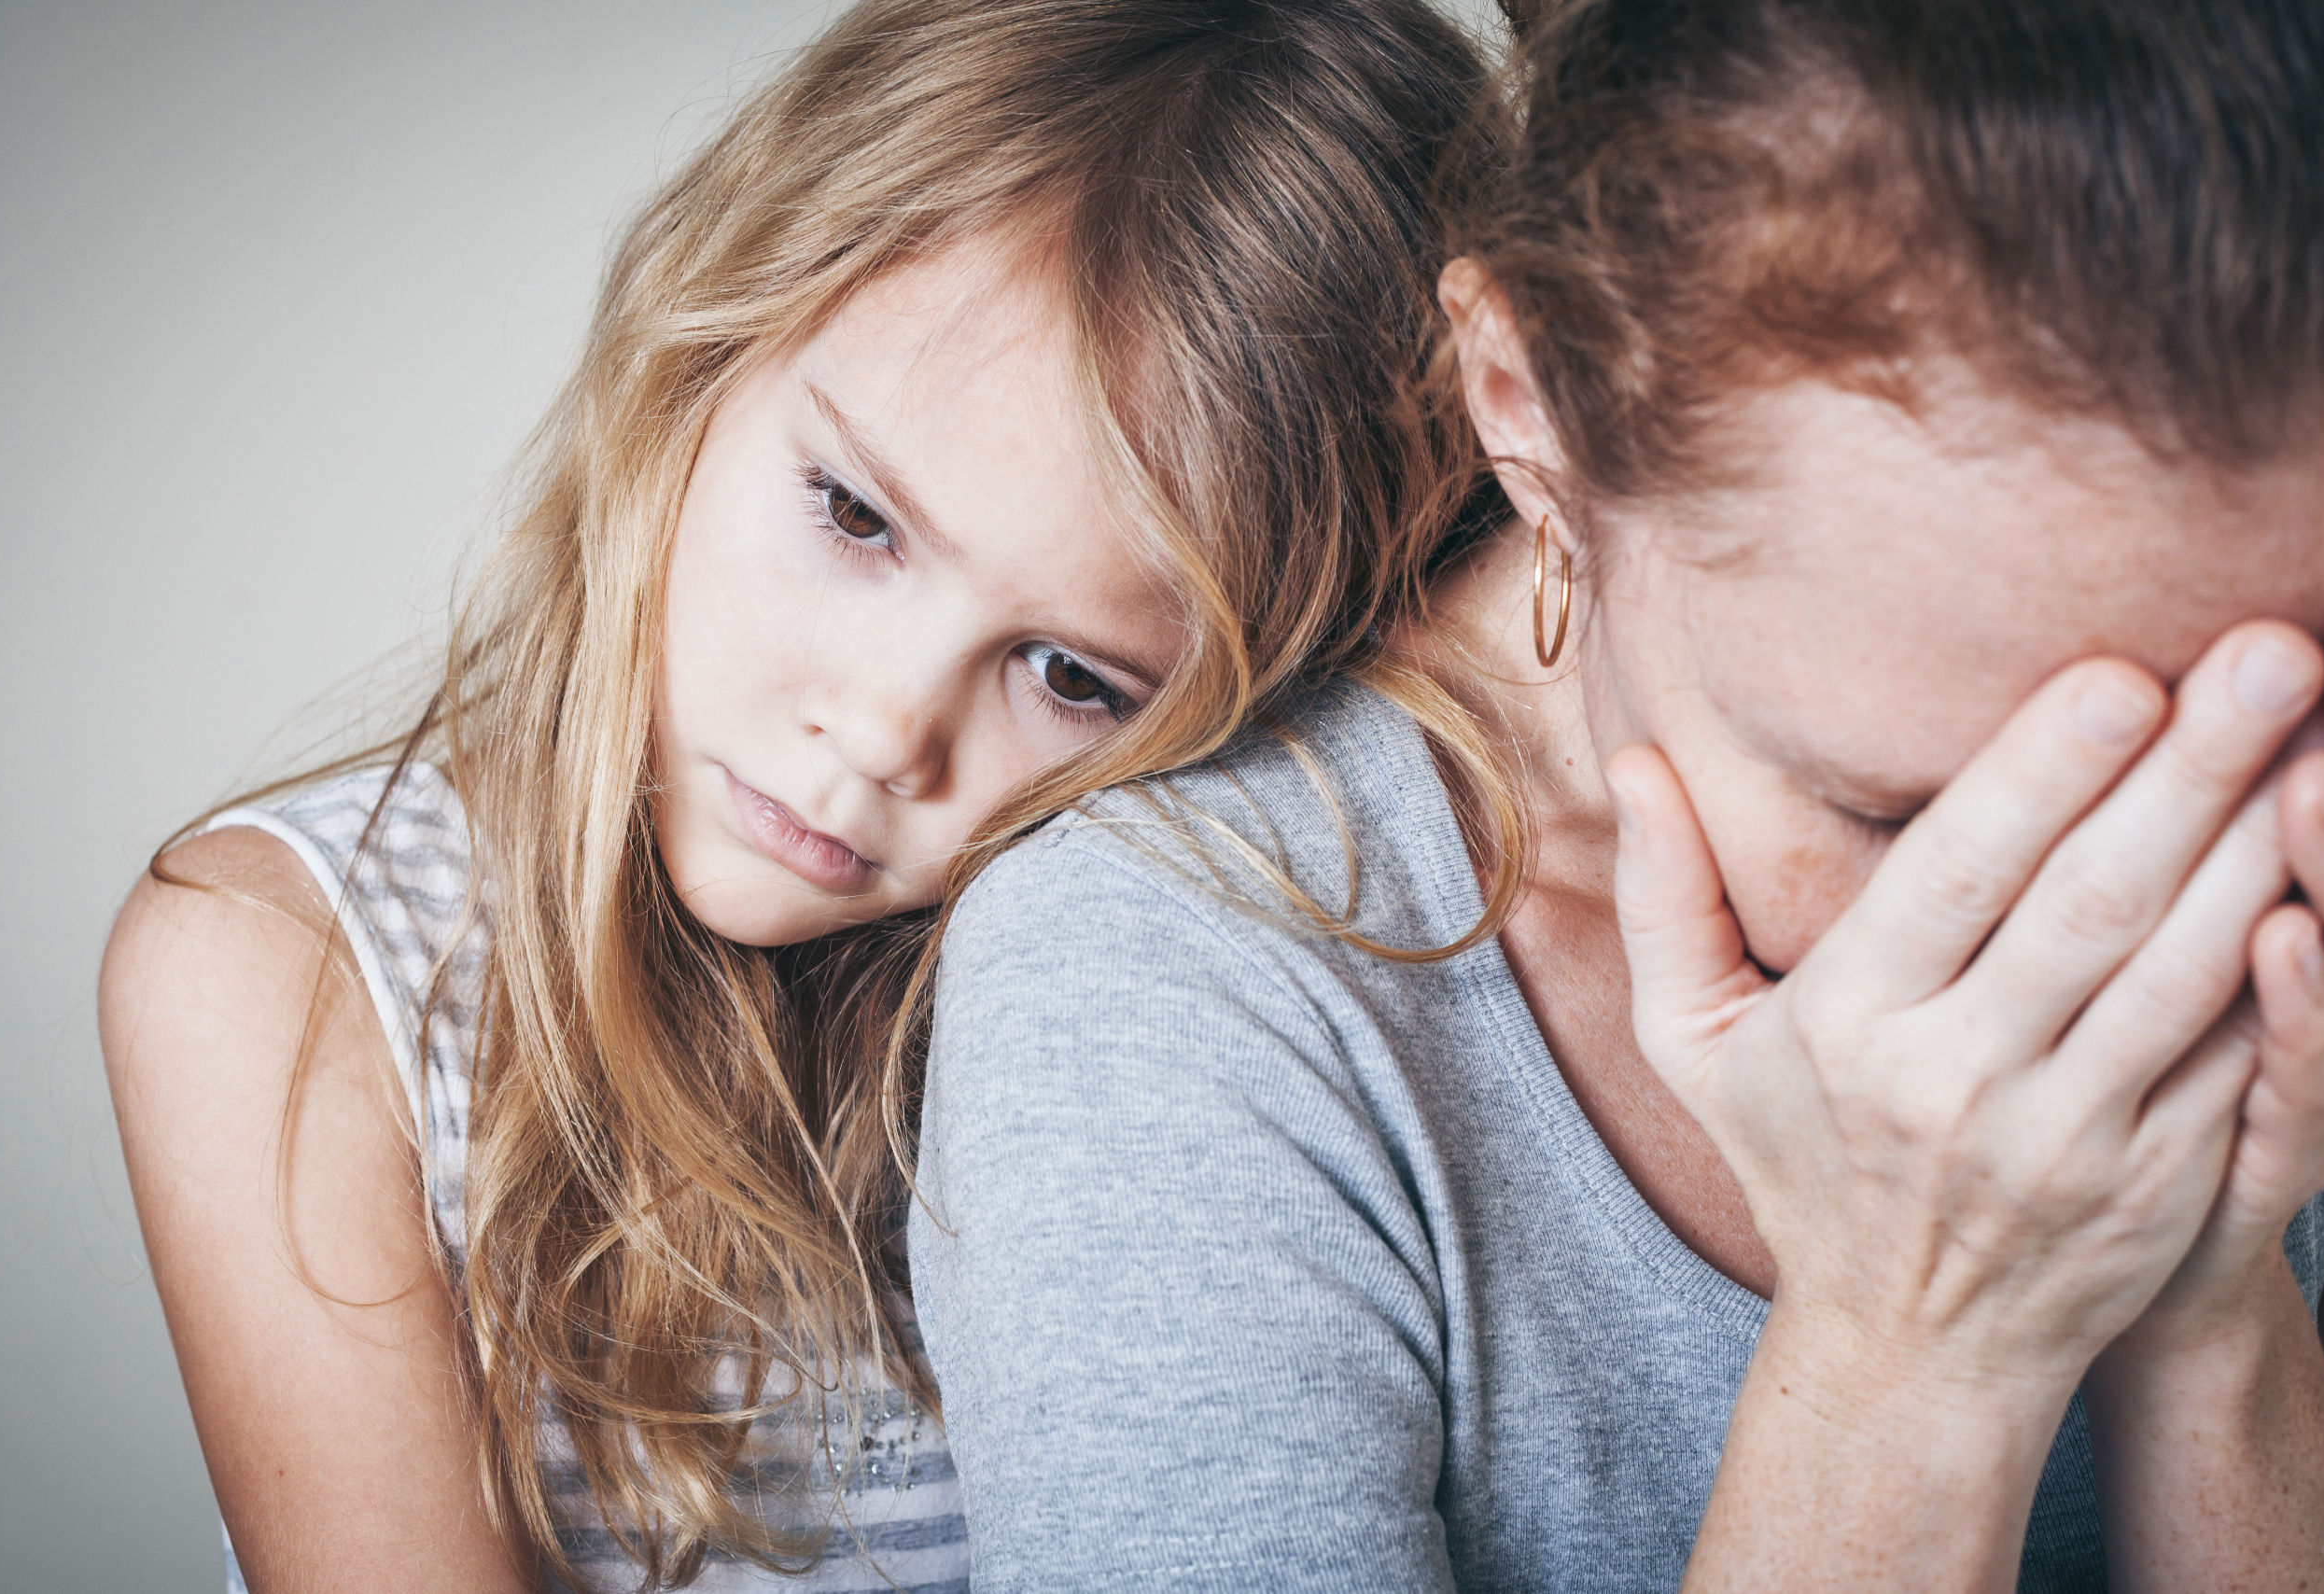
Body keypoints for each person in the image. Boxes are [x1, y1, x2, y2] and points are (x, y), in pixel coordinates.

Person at [909, 0, 2324, 1587]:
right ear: (1527, 410)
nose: (2107, 935)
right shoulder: (1171, 975)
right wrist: (1905, 1345)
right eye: (1892, 813)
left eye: (2236, 776)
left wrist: (2209, 1296)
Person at [94, 3, 1505, 1589]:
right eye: (854, 515)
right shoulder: (282, 977)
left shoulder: (1163, 1016)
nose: (888, 730)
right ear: (700, 344)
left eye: (1071, 676)